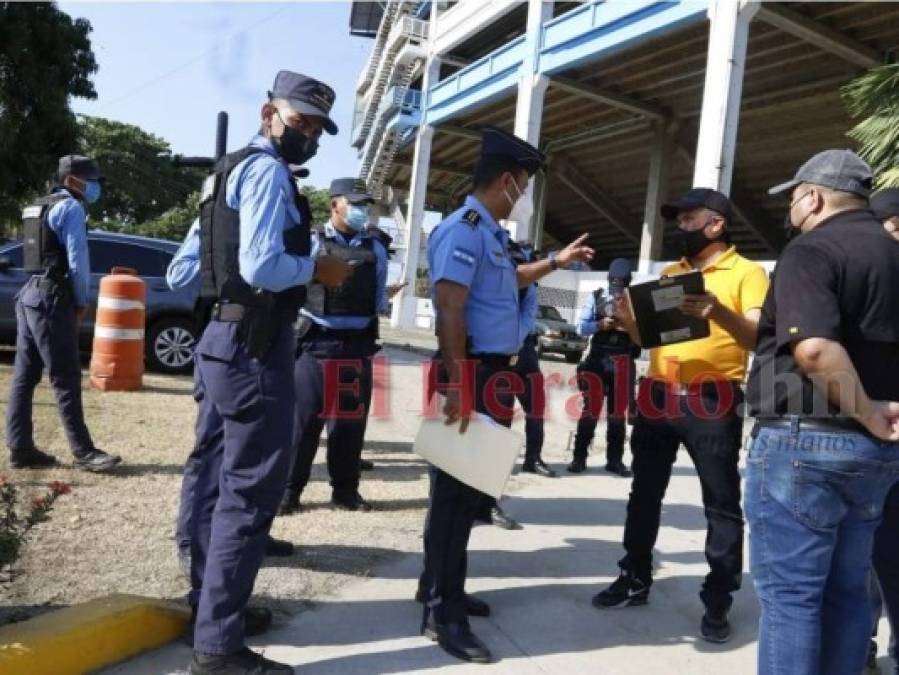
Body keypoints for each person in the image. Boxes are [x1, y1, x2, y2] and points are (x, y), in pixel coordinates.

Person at [185, 71, 351, 675]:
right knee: (248, 497)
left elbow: (186, 271)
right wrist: (316, 270)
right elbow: (261, 264)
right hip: (255, 347)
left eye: (315, 128)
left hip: (221, 341)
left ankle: (206, 609)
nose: (306, 135)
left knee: (209, 478)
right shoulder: (269, 173)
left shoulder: (221, 173)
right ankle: (219, 647)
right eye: (299, 121)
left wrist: (221, 314)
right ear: (268, 112)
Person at [419, 125, 593, 663]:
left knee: (470, 495)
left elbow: (509, 280)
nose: (526, 195)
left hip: (491, 375)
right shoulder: (463, 230)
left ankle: (444, 588)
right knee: (452, 501)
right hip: (468, 372)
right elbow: (449, 307)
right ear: (508, 181)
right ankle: (440, 611)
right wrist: (456, 382)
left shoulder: (490, 234)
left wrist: (557, 263)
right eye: (525, 184)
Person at [744, 150, 899, 675]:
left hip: (803, 443)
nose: (791, 209)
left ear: (812, 197)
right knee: (850, 594)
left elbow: (813, 351)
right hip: (874, 456)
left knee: (791, 599)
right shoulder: (893, 252)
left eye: (793, 198)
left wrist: (867, 411)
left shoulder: (811, 250)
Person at [594, 188, 769, 645]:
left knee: (720, 500)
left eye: (690, 218)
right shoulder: (673, 274)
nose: (682, 226)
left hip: (712, 398)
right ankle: (634, 576)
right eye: (679, 219)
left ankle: (718, 598)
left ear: (717, 224)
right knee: (644, 493)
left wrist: (719, 312)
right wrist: (626, 320)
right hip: (657, 393)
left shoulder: (748, 275)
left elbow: (755, 337)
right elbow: (649, 338)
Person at [166, 220, 295, 580]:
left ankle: (244, 537)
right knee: (212, 451)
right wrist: (232, 269)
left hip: (253, 337)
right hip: (225, 338)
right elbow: (178, 274)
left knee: (241, 454)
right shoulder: (216, 219)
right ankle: (193, 543)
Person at [279, 178, 392, 515]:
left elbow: (378, 296)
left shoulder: (376, 247)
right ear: (334, 205)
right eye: (355, 204)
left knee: (349, 425)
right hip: (315, 344)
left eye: (365, 205)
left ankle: (345, 491)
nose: (361, 211)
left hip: (357, 347)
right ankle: (289, 491)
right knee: (303, 424)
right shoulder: (312, 241)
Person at [6, 155, 121, 473]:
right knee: (66, 376)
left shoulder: (38, 205)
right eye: (92, 179)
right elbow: (77, 261)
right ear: (73, 180)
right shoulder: (71, 208)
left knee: (24, 377)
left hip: (29, 294)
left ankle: (21, 448)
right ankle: (84, 452)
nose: (95, 186)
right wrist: (82, 299)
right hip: (52, 297)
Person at [568, 258, 640, 476]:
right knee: (590, 411)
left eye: (621, 287)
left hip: (623, 361)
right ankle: (579, 458)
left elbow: (644, 336)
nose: (617, 292)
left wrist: (628, 325)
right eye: (615, 286)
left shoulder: (636, 301)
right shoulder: (597, 296)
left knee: (617, 415)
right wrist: (599, 325)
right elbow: (580, 327)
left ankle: (615, 460)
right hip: (598, 360)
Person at [509, 239, 555, 478]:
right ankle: (492, 470)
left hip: (526, 351)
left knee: (536, 407)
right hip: (503, 351)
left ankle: (533, 458)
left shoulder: (532, 287)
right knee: (499, 415)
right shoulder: (502, 282)